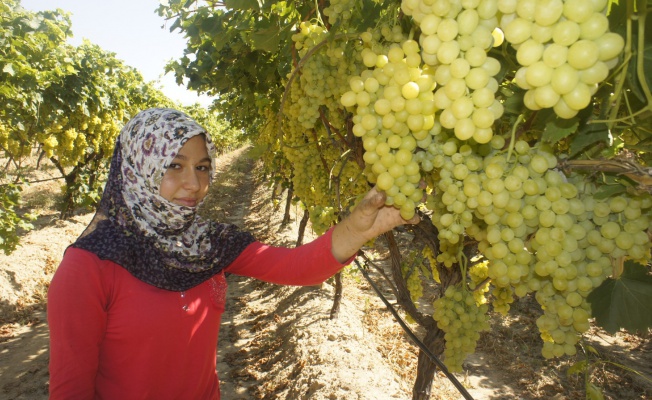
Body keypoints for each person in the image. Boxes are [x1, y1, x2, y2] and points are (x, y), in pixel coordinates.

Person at [47, 107, 419, 399]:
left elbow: (295, 267)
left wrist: (356, 230)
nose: (194, 183)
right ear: (137, 168)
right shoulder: (89, 266)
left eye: (203, 167)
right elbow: (70, 391)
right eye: (174, 166)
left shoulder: (208, 244)